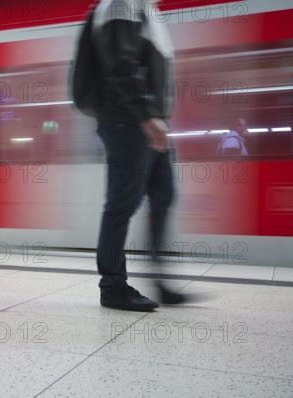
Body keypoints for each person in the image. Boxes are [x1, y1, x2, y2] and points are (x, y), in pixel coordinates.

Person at [90, 0, 188, 311]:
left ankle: (160, 280)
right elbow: (120, 62)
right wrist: (146, 114)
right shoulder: (123, 3)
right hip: (128, 118)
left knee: (163, 195)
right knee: (123, 203)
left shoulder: (147, 9)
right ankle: (113, 287)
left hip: (148, 119)